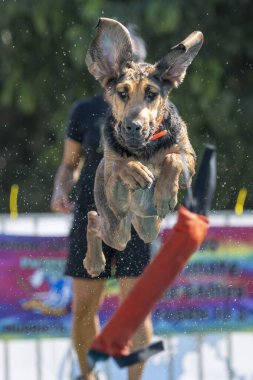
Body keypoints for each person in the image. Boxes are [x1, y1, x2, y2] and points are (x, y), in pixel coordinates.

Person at [51, 29, 153, 380]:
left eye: (134, 61)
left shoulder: (157, 107)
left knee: (136, 311)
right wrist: (59, 190)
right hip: (89, 217)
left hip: (137, 217)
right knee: (83, 309)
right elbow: (69, 164)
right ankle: (88, 377)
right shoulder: (84, 110)